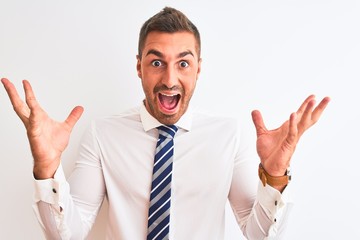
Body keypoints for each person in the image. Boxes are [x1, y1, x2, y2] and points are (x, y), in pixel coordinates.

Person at [1, 7, 330, 240]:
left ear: (198, 69)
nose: (170, 79)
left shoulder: (228, 135)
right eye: (156, 62)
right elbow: (67, 236)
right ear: (139, 67)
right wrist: (46, 167)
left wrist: (274, 176)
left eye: (183, 63)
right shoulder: (103, 134)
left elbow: (259, 235)